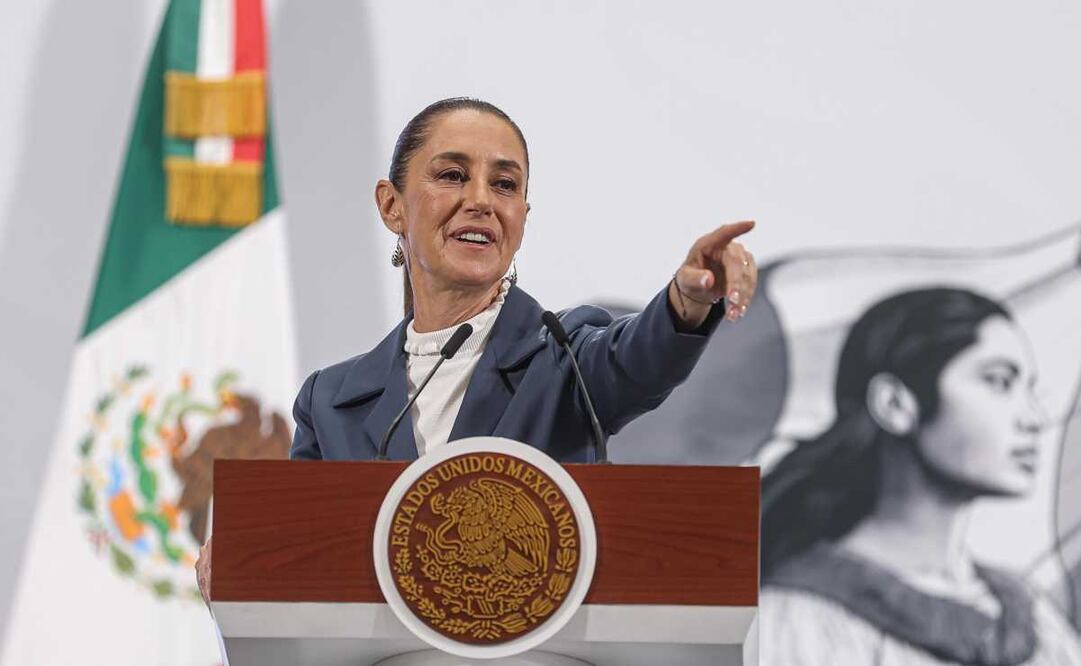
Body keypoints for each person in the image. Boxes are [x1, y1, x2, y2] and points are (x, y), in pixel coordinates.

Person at [195, 97, 759, 602]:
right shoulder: (330, 400)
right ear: (392, 206)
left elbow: (636, 358)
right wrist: (248, 567)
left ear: (522, 219)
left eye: (505, 185)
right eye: (452, 175)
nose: (481, 201)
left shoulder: (563, 360)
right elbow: (304, 555)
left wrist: (687, 299)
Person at [759, 287, 1081, 665]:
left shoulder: (1037, 622)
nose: (1035, 419)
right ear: (894, 404)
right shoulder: (796, 620)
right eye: (998, 381)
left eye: (1029, 389)